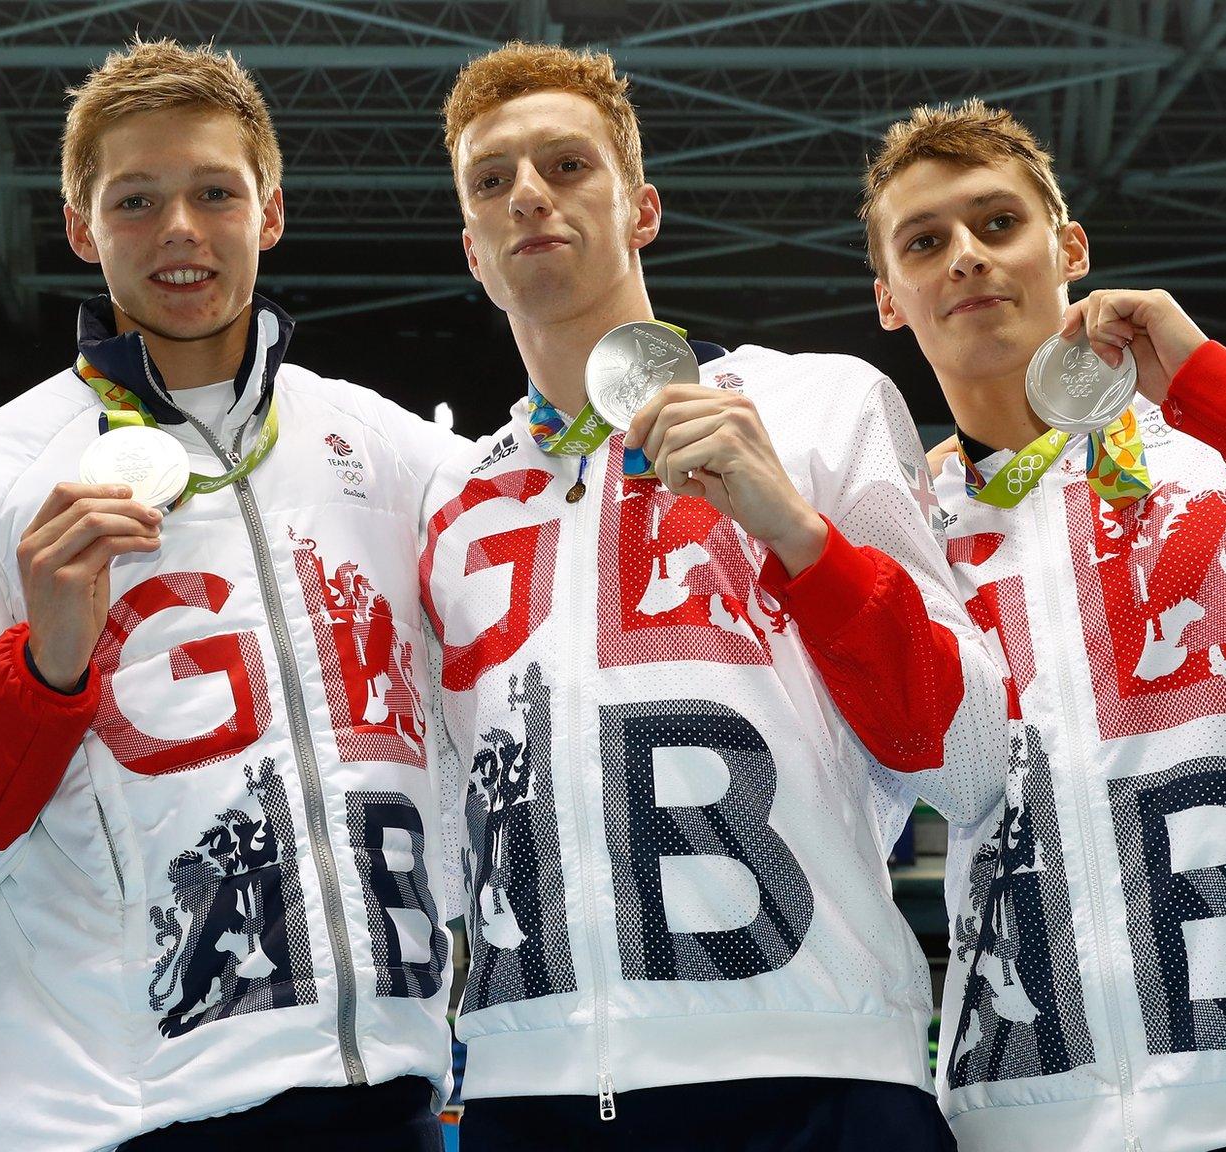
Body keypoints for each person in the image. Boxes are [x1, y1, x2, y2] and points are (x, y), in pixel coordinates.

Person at [0, 39, 466, 1151]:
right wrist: (40, 672)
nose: (178, 228)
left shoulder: (389, 455)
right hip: (118, 1116)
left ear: (268, 213)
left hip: (391, 1100)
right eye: (135, 199)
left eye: (213, 193)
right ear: (83, 230)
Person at [420, 42, 1008, 1151]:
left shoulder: (817, 403)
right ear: (470, 249)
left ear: (641, 208)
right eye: (491, 181)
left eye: (565, 165)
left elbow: (969, 761)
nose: (528, 196)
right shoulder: (445, 503)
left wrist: (796, 533)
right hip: (526, 1090)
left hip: (814, 1072)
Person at [864, 97, 1226, 1152]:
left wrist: (1209, 388)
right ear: (888, 300)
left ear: (1069, 247)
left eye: (996, 223)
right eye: (924, 243)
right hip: (1026, 1118)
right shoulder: (900, 539)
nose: (964, 257)